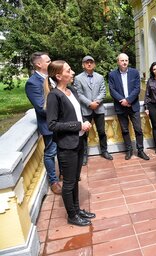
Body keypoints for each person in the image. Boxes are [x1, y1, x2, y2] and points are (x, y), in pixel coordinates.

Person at [46, 60, 96, 226]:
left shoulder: (72, 90)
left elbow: (76, 114)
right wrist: (78, 126)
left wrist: (83, 124)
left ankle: (77, 209)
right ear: (59, 76)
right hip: (66, 145)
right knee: (68, 183)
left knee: (75, 179)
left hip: (79, 141)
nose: (73, 72)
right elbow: (52, 124)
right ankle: (72, 216)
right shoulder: (54, 95)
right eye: (69, 70)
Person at [25, 52, 62, 195]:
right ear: (38, 64)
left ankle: (63, 173)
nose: (51, 63)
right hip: (49, 126)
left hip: (61, 124)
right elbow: (41, 108)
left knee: (62, 150)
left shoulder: (51, 78)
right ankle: (53, 181)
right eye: (48, 61)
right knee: (51, 153)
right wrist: (63, 111)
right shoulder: (33, 83)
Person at [108, 53, 150, 161]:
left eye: (126, 60)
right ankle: (129, 150)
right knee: (125, 130)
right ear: (118, 62)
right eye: (122, 60)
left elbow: (137, 88)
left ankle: (140, 150)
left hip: (133, 106)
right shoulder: (112, 74)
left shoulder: (134, 72)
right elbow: (112, 90)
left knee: (138, 129)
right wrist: (122, 100)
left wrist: (128, 100)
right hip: (120, 107)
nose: (124, 62)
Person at [74, 55, 113, 165]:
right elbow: (79, 94)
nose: (89, 64)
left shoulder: (100, 77)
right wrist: (89, 103)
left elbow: (103, 92)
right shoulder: (78, 78)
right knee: (84, 133)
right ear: (83, 65)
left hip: (99, 109)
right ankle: (84, 155)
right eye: (87, 62)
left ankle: (104, 151)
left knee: (102, 132)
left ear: (94, 64)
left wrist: (96, 102)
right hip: (86, 110)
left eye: (91, 62)